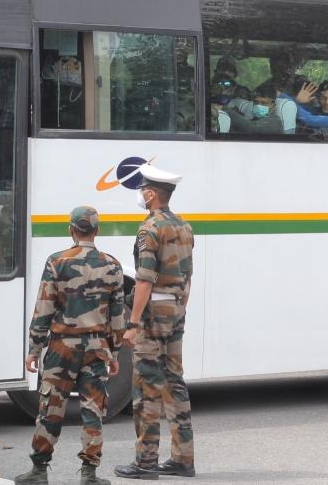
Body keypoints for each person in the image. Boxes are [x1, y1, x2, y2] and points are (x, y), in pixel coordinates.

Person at [15, 207, 125, 485]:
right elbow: (117, 316)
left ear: (71, 229)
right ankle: (89, 474)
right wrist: (114, 352)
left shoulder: (57, 261)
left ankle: (39, 470)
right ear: (96, 231)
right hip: (98, 347)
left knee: (51, 405)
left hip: (62, 347)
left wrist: (34, 349)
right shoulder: (113, 265)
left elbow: (44, 309)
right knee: (93, 409)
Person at [115, 164, 196, 480]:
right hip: (175, 311)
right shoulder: (184, 226)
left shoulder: (150, 229)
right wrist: (180, 310)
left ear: (150, 194)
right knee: (174, 382)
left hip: (152, 316)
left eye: (141, 190)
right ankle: (183, 459)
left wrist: (133, 324)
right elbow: (188, 277)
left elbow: (144, 280)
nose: (139, 195)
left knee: (147, 386)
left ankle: (145, 462)